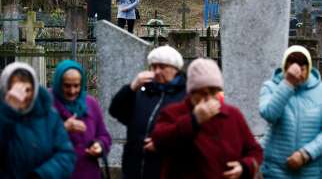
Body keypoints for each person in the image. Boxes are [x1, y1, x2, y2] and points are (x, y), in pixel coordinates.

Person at [149, 58, 263, 179]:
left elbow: (255, 150)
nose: (209, 98)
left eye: (213, 92)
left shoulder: (233, 115)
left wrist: (244, 166)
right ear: (191, 93)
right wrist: (194, 119)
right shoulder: (173, 112)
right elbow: (159, 140)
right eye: (202, 93)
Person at [109, 45, 186, 179]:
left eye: (162, 67)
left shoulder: (185, 96)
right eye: (153, 67)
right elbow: (116, 111)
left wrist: (164, 144)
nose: (156, 71)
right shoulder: (143, 91)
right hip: (134, 168)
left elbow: (188, 132)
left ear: (175, 69)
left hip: (167, 169)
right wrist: (131, 87)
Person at [0, 62, 75, 178]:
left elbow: (66, 155)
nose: (22, 96)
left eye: (27, 90)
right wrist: (9, 111)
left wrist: (41, 175)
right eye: (16, 89)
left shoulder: (50, 117)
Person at [259, 45, 322, 178]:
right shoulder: (271, 87)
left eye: (302, 68)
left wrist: (306, 154)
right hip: (275, 171)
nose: (297, 72)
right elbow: (269, 115)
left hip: (309, 172)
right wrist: (288, 84)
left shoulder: (320, 91)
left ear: (309, 67)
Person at [51, 60, 112, 179]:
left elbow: (104, 135)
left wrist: (99, 145)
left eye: (76, 85)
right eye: (67, 85)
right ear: (58, 83)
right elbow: (37, 140)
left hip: (88, 173)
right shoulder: (47, 104)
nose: (72, 91)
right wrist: (63, 128)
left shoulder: (91, 104)